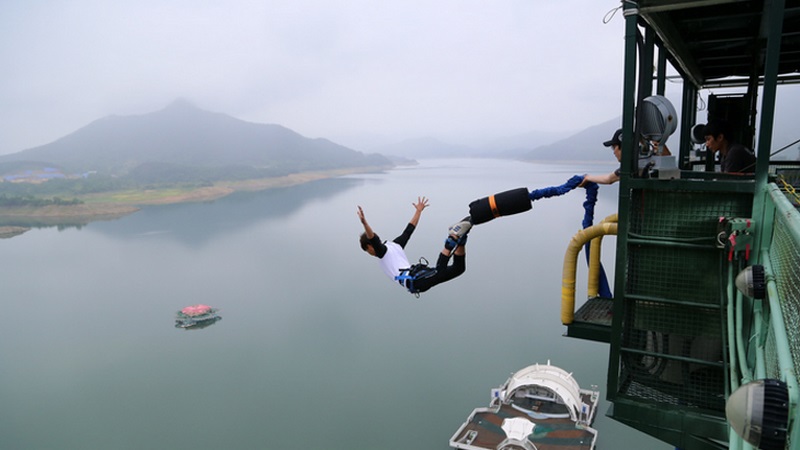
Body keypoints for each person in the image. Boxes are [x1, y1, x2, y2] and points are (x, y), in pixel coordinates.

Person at [358, 197, 471, 295]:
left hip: (416, 281)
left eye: (367, 250)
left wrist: (364, 223)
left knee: (440, 272)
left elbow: (374, 239)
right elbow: (409, 229)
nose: (370, 253)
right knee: (458, 269)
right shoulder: (395, 245)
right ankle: (461, 239)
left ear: (370, 246)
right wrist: (418, 211)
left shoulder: (382, 252)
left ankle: (451, 240)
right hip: (417, 275)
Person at [581, 128, 672, 186]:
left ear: (623, 147)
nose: (614, 152)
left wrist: (588, 178)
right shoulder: (642, 159)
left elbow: (609, 179)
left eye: (614, 148)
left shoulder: (633, 164)